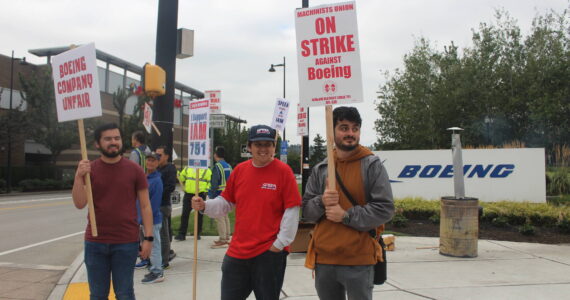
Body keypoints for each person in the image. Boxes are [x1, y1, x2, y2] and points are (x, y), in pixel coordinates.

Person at [192, 124, 301, 300]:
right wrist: (205, 205)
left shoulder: (284, 172)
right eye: (258, 144)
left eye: (268, 144)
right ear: (249, 147)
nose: (263, 149)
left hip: (268, 253)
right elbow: (226, 202)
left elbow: (292, 211)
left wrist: (279, 245)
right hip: (237, 252)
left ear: (274, 147)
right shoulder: (240, 170)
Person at [302, 107, 395, 300]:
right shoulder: (321, 169)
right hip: (324, 259)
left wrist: (346, 215)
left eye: (355, 128)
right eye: (344, 128)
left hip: (359, 260)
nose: (350, 133)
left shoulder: (371, 165)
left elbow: (385, 208)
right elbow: (307, 212)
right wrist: (321, 201)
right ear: (332, 131)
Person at [72, 123, 154, 300]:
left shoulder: (135, 170)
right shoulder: (89, 170)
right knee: (98, 295)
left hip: (126, 243)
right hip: (95, 242)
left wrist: (148, 238)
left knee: (124, 294)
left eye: (116, 138)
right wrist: (79, 176)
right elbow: (79, 203)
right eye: (108, 139)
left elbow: (146, 206)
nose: (113, 142)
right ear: (97, 144)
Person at [137, 151, 164, 284]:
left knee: (154, 247)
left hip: (152, 221)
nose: (150, 162)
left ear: (158, 163)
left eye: (153, 160)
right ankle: (153, 268)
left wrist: (144, 220)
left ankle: (158, 272)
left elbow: (153, 205)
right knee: (150, 247)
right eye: (148, 160)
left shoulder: (157, 181)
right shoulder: (145, 177)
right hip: (144, 220)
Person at [175, 165, 212, 241]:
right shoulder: (188, 168)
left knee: (199, 215)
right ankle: (182, 234)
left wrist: (206, 191)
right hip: (188, 194)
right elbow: (182, 178)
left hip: (200, 194)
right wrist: (178, 174)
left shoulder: (207, 170)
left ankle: (197, 233)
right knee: (185, 214)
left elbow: (210, 182)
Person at [155, 145, 178, 267]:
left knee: (163, 234)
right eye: (156, 154)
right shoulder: (157, 169)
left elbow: (170, 186)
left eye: (160, 155)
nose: (157, 157)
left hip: (163, 205)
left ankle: (164, 261)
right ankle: (157, 258)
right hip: (155, 204)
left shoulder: (169, 168)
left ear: (167, 156)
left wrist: (157, 193)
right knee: (156, 234)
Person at [208, 146, 233, 249]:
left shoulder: (217, 166)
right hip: (228, 194)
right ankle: (227, 237)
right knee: (225, 216)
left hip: (219, 194)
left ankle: (222, 239)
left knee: (220, 217)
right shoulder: (229, 166)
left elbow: (214, 183)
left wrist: (211, 195)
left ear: (216, 155)